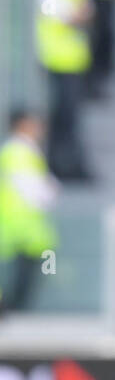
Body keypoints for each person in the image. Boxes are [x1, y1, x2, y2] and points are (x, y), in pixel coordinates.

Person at [33, 0, 94, 181]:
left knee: (69, 116)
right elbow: (48, 5)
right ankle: (60, 166)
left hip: (71, 54)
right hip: (55, 54)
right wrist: (71, 14)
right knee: (61, 115)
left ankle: (67, 165)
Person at [0, 110, 58, 312]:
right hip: (21, 225)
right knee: (18, 277)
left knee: (20, 276)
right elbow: (36, 189)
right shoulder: (20, 151)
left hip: (22, 225)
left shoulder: (22, 151)